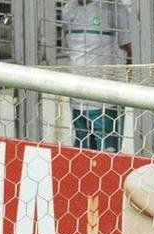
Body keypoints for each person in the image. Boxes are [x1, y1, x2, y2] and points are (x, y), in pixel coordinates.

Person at [60, 1, 134, 151]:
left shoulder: (114, 8)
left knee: (108, 156)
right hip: (77, 98)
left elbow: (131, 51)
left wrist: (127, 83)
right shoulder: (68, 9)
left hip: (107, 100)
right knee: (83, 154)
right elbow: (71, 51)